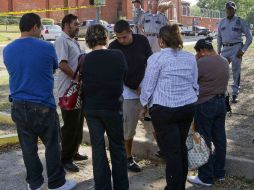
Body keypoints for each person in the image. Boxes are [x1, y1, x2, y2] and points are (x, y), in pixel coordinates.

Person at [3, 13, 76, 190]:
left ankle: (34, 184)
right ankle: (56, 183)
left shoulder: (7, 49)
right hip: (43, 104)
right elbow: (53, 68)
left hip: (19, 105)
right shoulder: (46, 47)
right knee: (52, 145)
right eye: (41, 27)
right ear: (35, 27)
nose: (42, 30)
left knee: (28, 148)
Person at [140, 24, 198, 190]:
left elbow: (148, 86)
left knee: (171, 151)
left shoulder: (156, 59)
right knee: (180, 146)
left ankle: (174, 187)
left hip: (164, 110)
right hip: (187, 107)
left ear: (161, 41)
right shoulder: (189, 57)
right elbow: (194, 84)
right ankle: (179, 185)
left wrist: (143, 106)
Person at [82, 24, 129, 190]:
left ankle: (102, 187)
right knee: (117, 147)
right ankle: (121, 186)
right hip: (113, 107)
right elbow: (124, 75)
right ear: (105, 37)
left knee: (98, 149)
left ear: (88, 40)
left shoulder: (84, 58)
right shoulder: (117, 55)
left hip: (92, 108)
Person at [108, 20, 153, 172]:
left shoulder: (142, 40)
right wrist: (134, 87)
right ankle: (128, 157)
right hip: (127, 93)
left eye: (124, 37)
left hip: (146, 90)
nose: (121, 40)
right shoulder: (113, 47)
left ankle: (165, 151)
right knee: (128, 128)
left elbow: (150, 62)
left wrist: (146, 86)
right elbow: (115, 72)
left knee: (154, 125)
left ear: (130, 32)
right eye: (118, 37)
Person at [187, 38, 229, 186]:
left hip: (205, 104)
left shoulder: (201, 63)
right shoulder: (224, 60)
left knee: (204, 140)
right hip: (221, 103)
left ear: (202, 51)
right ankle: (219, 172)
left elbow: (191, 81)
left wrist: (196, 60)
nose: (197, 56)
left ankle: (205, 177)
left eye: (197, 53)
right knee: (220, 139)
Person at [54, 14, 87, 173]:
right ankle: (65, 158)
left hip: (78, 88)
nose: (78, 26)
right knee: (70, 126)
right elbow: (62, 64)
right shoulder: (61, 41)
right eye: (76, 24)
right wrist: (76, 77)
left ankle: (74, 152)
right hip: (68, 90)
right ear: (67, 25)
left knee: (78, 123)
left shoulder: (73, 41)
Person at [217, 1, 252, 103]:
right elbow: (219, 37)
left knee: (236, 72)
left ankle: (235, 94)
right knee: (221, 71)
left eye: (232, 8)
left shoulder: (240, 21)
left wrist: (243, 50)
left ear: (235, 10)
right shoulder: (222, 22)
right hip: (225, 49)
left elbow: (249, 37)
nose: (230, 10)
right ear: (225, 10)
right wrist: (218, 50)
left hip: (236, 48)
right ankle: (222, 92)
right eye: (228, 9)